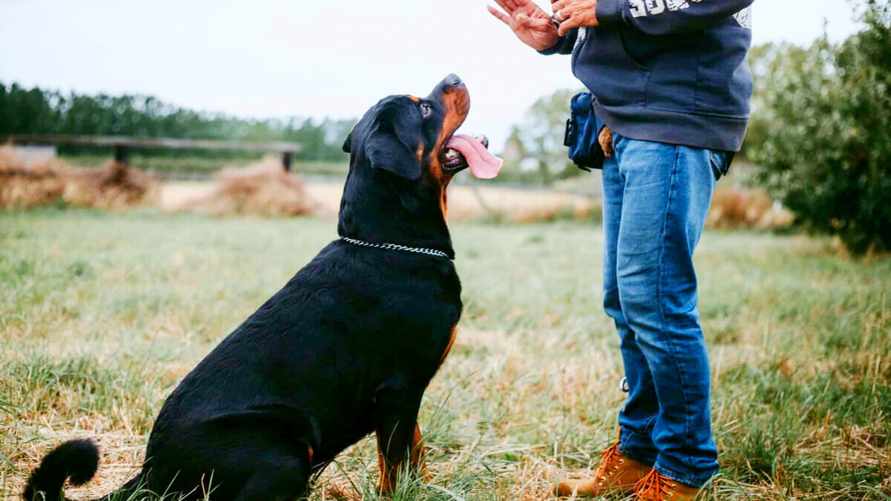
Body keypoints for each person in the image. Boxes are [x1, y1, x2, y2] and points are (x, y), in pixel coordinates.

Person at [487, 0, 754, 499]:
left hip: (676, 117)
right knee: (627, 300)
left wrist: (607, 7)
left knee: (654, 300)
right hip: (624, 119)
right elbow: (623, 24)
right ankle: (639, 453)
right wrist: (561, 35)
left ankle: (683, 466)